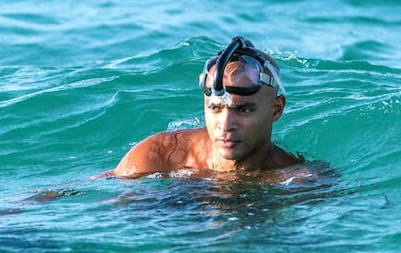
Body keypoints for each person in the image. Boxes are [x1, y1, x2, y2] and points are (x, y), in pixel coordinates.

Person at [112, 36, 306, 179]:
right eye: (215, 108)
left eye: (244, 110)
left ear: (276, 109)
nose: (225, 125)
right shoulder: (159, 156)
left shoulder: (296, 180)